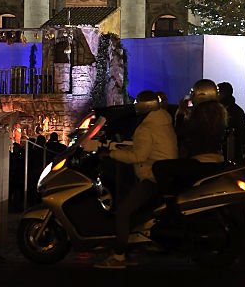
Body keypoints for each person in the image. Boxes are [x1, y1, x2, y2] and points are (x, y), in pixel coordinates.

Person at [95, 89, 177, 269]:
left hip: (152, 177)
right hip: (165, 174)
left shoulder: (146, 127)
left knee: (123, 211)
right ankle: (131, 247)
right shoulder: (163, 120)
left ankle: (118, 256)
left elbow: (138, 156)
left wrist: (111, 154)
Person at [153, 79, 227, 197]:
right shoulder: (219, 112)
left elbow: (183, 133)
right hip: (216, 158)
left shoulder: (201, 113)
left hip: (201, 159)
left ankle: (170, 203)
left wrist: (182, 114)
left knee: (160, 168)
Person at [217, 82, 245, 162]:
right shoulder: (237, 111)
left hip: (229, 155)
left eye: (218, 92)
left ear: (222, 94)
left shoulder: (225, 111)